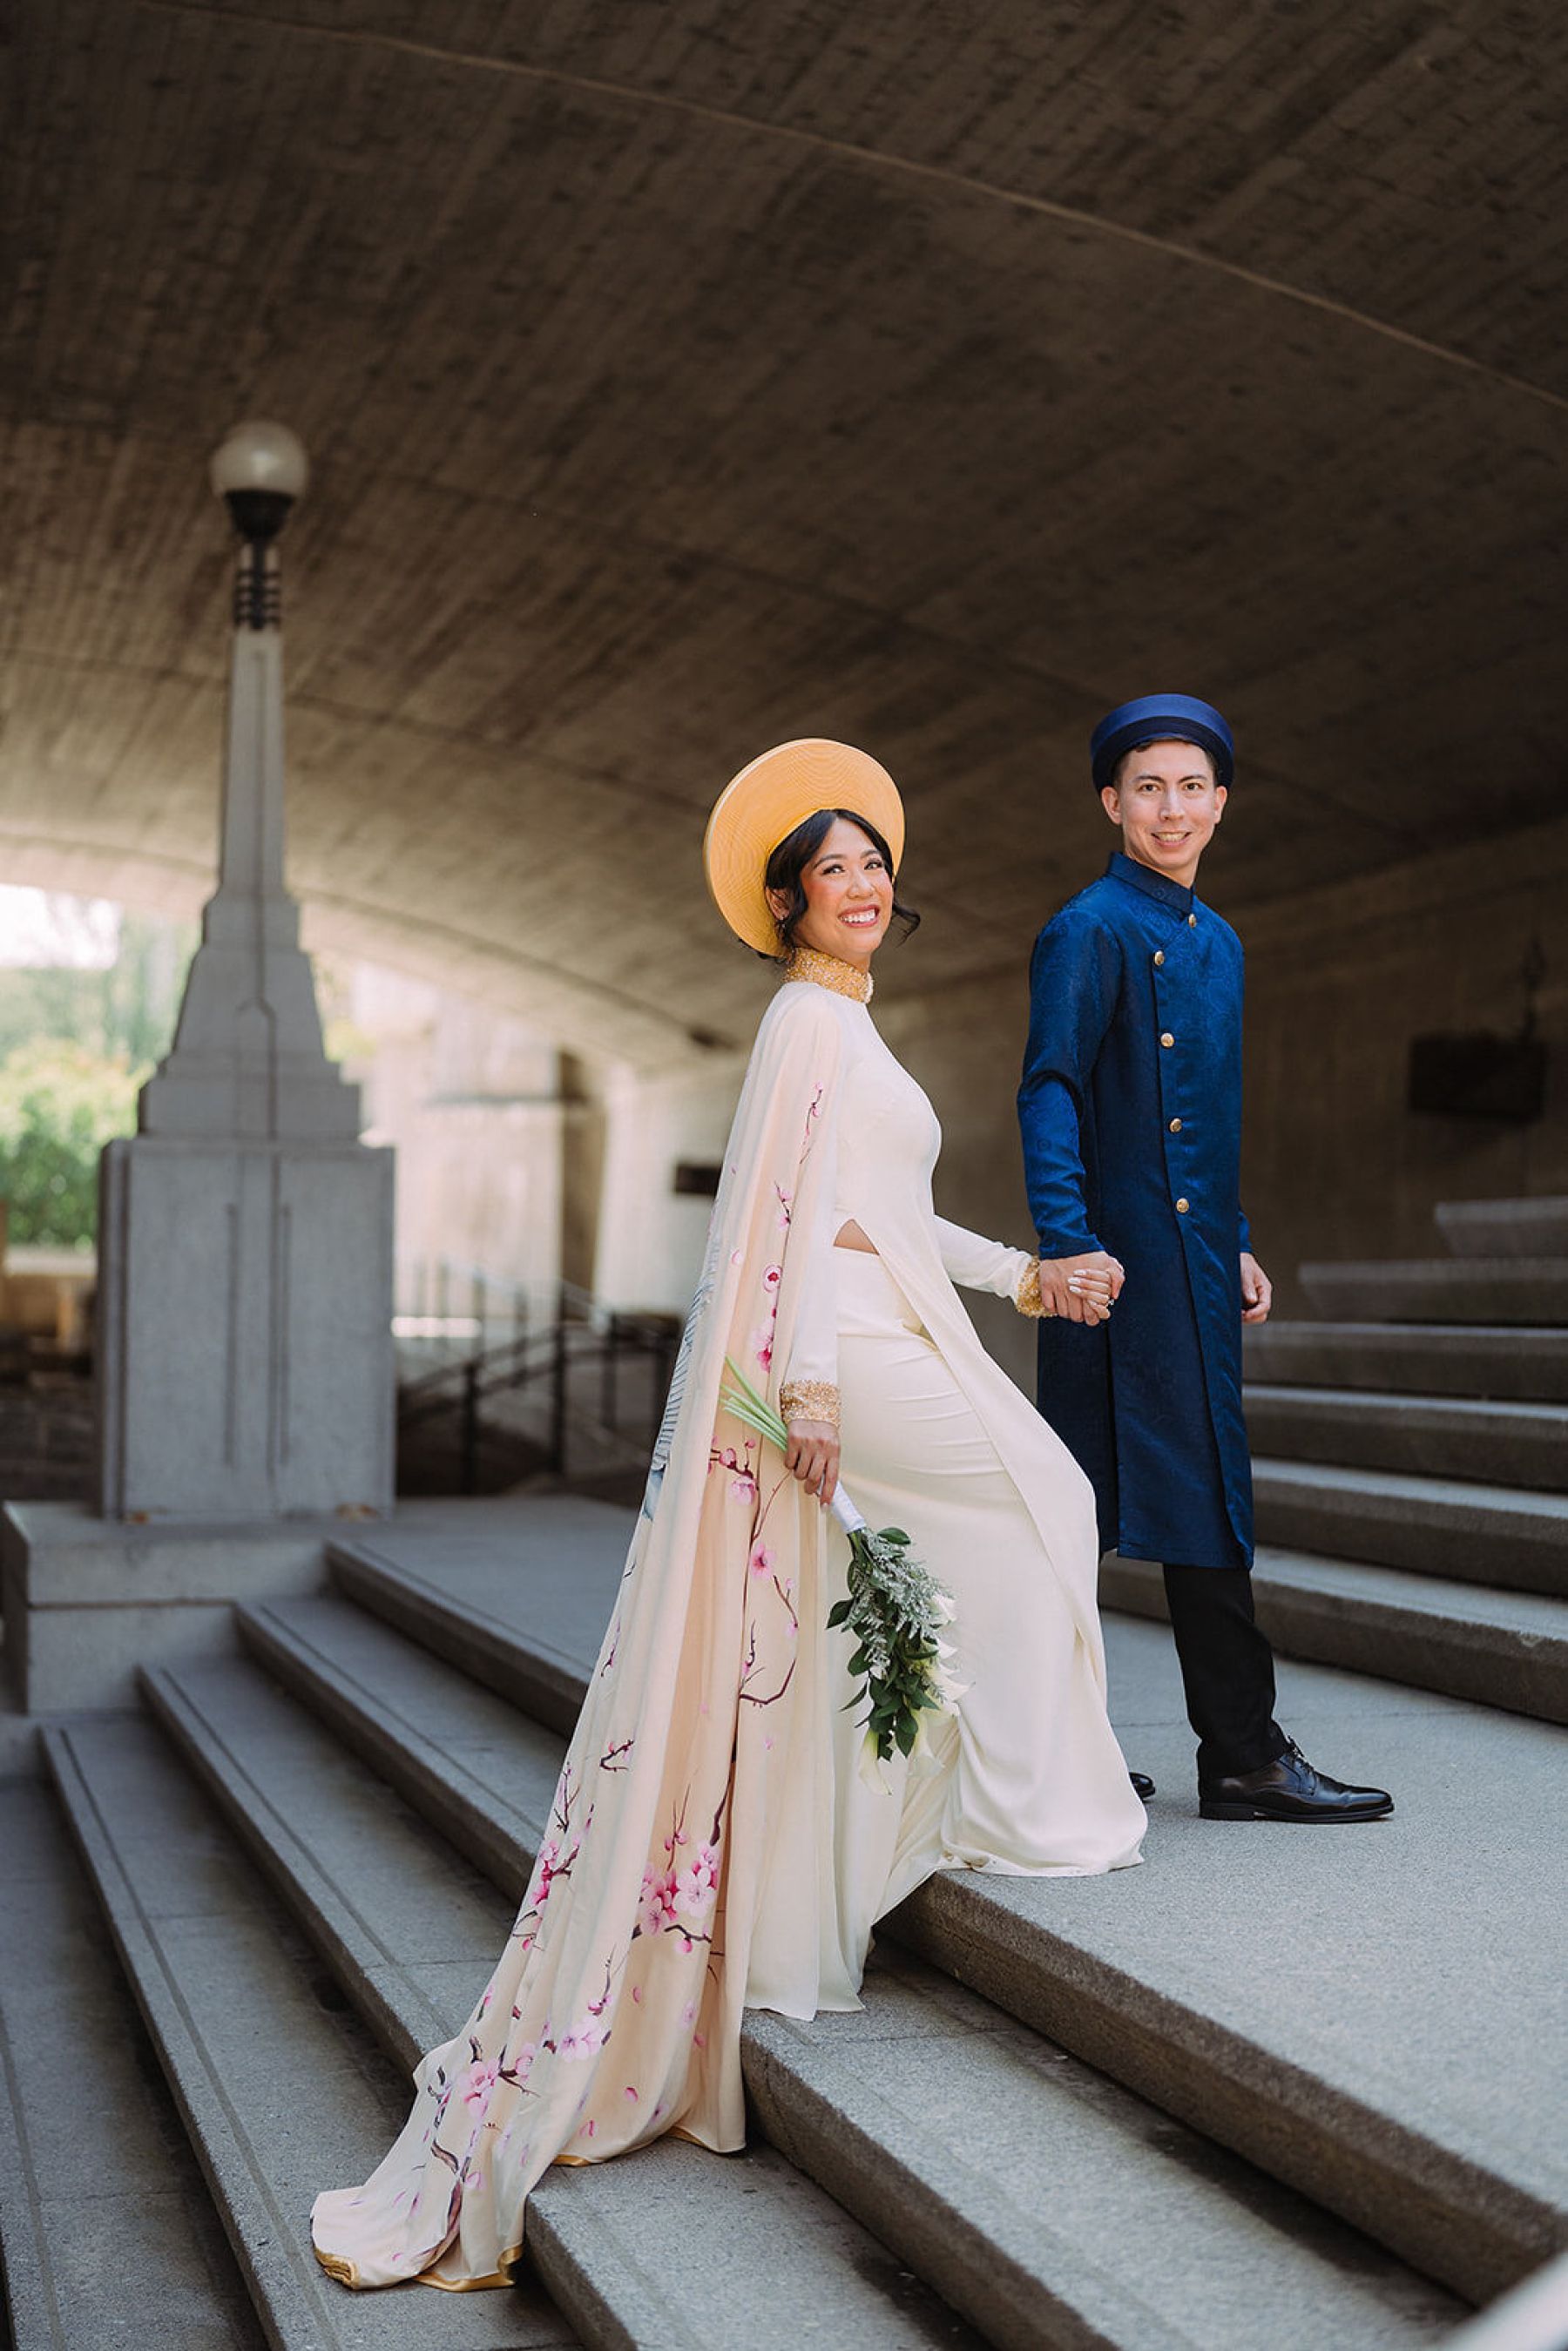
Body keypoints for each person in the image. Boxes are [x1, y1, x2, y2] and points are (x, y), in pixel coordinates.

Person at [311, 738, 1145, 2294]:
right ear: (788, 901)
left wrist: (1025, 1277)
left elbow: (876, 1215)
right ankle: (1028, 1809)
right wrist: (812, 1395)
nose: (867, 887)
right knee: (1048, 1491)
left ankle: (997, 1799)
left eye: (877, 866)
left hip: (878, 1318)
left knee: (1016, 1516)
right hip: (841, 1345)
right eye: (838, 872)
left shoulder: (845, 1029)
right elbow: (786, 1239)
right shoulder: (803, 1030)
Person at [1018, 693, 1393, 1825]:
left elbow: (1207, 1119)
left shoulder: (1220, 942)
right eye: (1148, 787)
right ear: (1111, 802)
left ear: (1220, 804)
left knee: (1208, 1500)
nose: (1170, 809)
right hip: (1109, 1274)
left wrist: (1232, 1242)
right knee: (1071, 1507)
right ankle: (1089, 1751)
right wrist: (1067, 1244)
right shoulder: (1085, 928)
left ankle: (1231, 1753)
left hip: (1193, 1273)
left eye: (1191, 788)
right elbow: (1051, 1088)